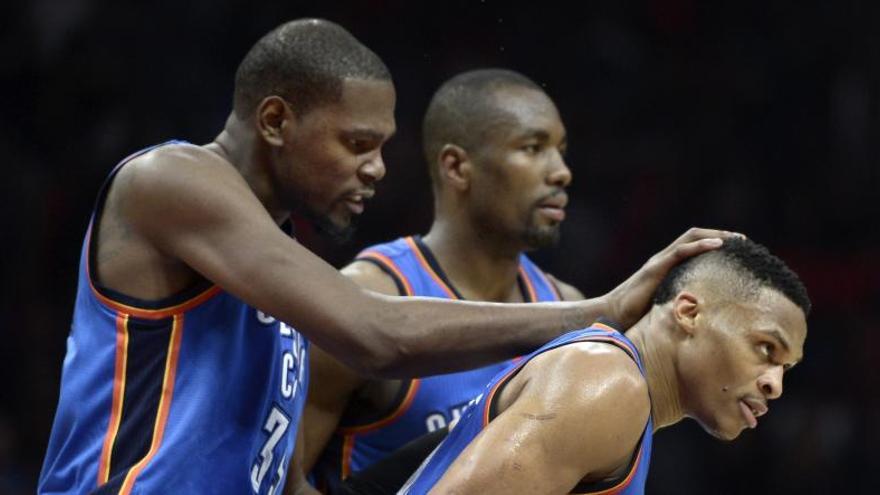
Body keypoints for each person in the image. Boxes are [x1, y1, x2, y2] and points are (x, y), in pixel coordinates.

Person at [38, 19, 733, 495]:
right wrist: (599, 312)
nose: (377, 169)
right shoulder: (170, 181)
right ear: (277, 121)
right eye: (356, 143)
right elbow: (374, 333)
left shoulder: (270, 276)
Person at [298, 68, 584, 494]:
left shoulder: (569, 307)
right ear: (456, 167)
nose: (561, 172)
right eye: (533, 147)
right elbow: (276, 480)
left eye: (560, 150)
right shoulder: (368, 298)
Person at [398, 237, 810, 495]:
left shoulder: (621, 397)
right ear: (688, 312)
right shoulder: (608, 384)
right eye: (765, 348)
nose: (775, 384)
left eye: (786, 367)